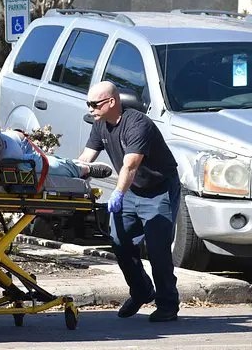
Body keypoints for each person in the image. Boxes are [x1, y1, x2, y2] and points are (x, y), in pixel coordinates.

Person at [78, 81, 181, 322]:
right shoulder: (100, 124)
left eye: (94, 104)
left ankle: (167, 305)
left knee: (158, 250)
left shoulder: (137, 124)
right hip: (131, 189)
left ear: (111, 102)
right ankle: (141, 291)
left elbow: (131, 165)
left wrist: (117, 193)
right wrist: (72, 176)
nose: (90, 109)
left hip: (158, 189)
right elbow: (86, 158)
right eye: (88, 104)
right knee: (120, 243)